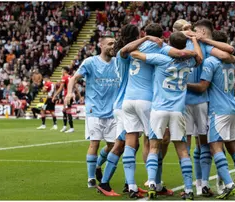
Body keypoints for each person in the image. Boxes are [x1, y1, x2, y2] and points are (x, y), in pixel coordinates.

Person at [121, 23, 197, 198]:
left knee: (153, 146)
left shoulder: (161, 57)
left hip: (158, 107)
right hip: (178, 110)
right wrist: (192, 44)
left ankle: (152, 184)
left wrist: (146, 41)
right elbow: (197, 57)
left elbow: (132, 53)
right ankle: (189, 189)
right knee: (182, 149)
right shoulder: (189, 61)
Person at [96, 24, 166, 199]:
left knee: (131, 144)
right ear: (138, 36)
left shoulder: (122, 53)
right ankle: (104, 183)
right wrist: (149, 39)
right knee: (123, 145)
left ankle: (130, 184)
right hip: (125, 103)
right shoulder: (129, 53)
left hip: (124, 101)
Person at [187, 31, 235, 199]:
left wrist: (183, 84)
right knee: (234, 148)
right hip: (233, 107)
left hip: (218, 110)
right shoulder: (230, 63)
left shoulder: (210, 61)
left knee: (214, 147)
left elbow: (202, 87)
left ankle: (229, 184)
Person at [174, 19, 235, 196]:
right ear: (177, 32)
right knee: (185, 146)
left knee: (204, 145)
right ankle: (189, 185)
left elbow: (227, 56)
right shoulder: (174, 47)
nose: (189, 30)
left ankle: (202, 185)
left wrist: (233, 57)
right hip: (182, 102)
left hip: (202, 100)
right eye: (185, 29)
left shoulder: (202, 46)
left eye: (191, 28)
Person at [65, 36, 121, 194]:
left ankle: (97, 165)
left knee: (113, 146)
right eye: (110, 43)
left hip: (113, 111)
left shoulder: (118, 62)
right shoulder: (90, 62)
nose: (113, 46)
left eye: (114, 44)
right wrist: (69, 93)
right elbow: (74, 78)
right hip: (94, 109)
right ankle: (91, 178)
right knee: (94, 144)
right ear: (101, 45)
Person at [52, 66, 74, 133]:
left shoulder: (64, 78)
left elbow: (61, 88)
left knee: (68, 111)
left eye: (62, 70)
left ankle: (71, 128)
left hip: (67, 96)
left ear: (65, 71)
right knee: (64, 111)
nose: (61, 72)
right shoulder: (71, 77)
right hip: (71, 95)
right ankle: (65, 126)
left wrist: (54, 95)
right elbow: (75, 87)